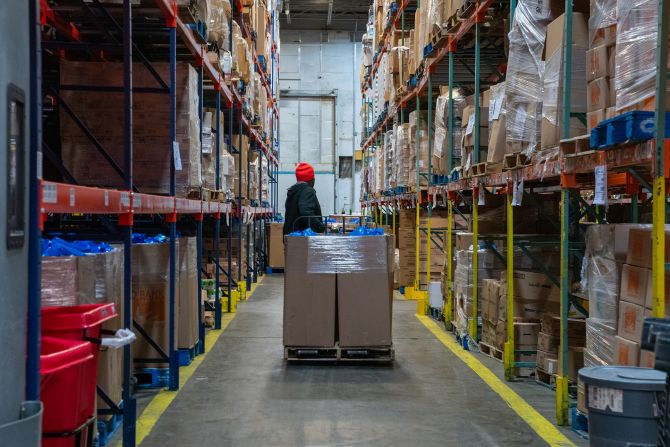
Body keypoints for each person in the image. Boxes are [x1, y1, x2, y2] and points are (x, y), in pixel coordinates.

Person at [283, 162, 326, 235]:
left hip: (291, 236)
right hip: (302, 238)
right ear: (310, 179)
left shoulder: (294, 191)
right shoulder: (307, 191)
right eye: (313, 178)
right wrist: (320, 227)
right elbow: (305, 211)